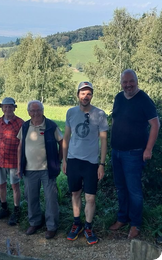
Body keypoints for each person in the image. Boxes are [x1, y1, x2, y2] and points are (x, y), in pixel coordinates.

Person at [109, 69, 160, 239]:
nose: (128, 85)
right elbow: (115, 119)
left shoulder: (144, 100)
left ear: (136, 81)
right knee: (121, 188)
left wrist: (148, 149)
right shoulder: (118, 98)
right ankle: (122, 218)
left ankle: (135, 224)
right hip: (116, 151)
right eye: (125, 82)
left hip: (134, 153)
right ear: (121, 83)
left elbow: (155, 124)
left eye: (131, 81)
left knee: (134, 191)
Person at [62, 81, 108, 245]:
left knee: (90, 198)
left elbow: (103, 141)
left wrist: (102, 164)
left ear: (92, 96)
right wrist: (64, 160)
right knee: (75, 194)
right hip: (73, 160)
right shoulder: (71, 113)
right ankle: (77, 224)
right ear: (78, 95)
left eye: (88, 93)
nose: (85, 96)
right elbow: (66, 138)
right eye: (83, 93)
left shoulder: (100, 114)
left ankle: (88, 227)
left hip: (91, 163)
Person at [17, 100, 63, 239]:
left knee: (51, 198)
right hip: (29, 169)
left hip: (48, 169)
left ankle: (51, 226)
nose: (36, 113)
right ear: (28, 112)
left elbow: (62, 142)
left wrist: (59, 160)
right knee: (31, 197)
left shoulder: (50, 126)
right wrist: (19, 166)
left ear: (43, 111)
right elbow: (20, 146)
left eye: (38, 110)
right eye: (33, 110)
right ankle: (35, 222)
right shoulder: (25, 126)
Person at [0, 97, 24, 226]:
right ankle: (4, 208)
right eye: (5, 107)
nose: (7, 109)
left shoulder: (20, 123)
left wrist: (20, 163)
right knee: (1, 185)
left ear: (14, 108)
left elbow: (22, 143)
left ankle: (16, 210)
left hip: (14, 161)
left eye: (10, 106)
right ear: (2, 108)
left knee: (15, 186)